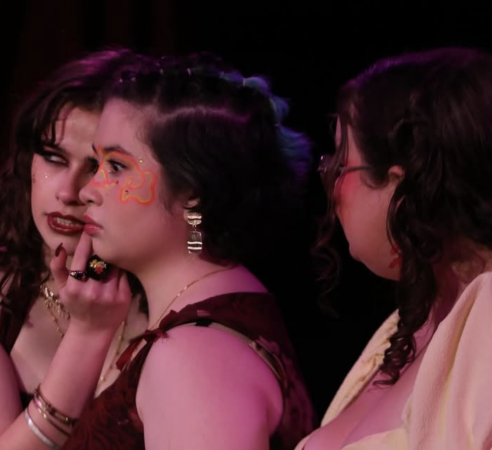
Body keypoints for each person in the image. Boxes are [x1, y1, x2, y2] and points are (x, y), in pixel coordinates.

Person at [45, 52, 316, 450]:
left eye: (116, 167)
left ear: (191, 191)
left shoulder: (194, 356)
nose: (87, 190)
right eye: (98, 164)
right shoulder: (214, 310)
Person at [0, 48, 148, 450]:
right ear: (27, 163)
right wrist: (88, 334)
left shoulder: (174, 287)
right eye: (54, 158)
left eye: (98, 167)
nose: (68, 192)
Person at [297, 46, 492, 449]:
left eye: (342, 165)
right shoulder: (407, 327)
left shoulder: (486, 316)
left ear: (400, 186)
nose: (332, 186)